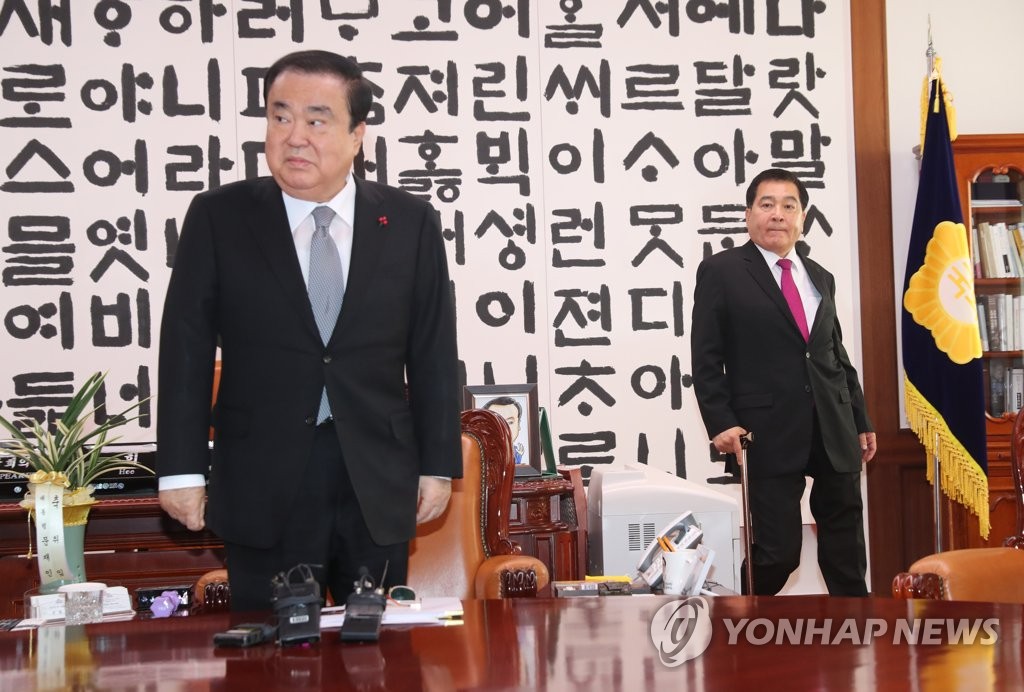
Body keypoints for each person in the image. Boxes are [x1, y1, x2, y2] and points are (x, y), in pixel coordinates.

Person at [156, 50, 461, 611]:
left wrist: (437, 466)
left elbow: (433, 352)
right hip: (262, 476)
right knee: (269, 647)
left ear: (357, 135)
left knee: (376, 648)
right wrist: (180, 470)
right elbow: (185, 350)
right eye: (280, 117)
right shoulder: (220, 217)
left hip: (376, 478)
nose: (294, 137)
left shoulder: (410, 222)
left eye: (317, 121)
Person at [690, 168, 877, 597]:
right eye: (767, 204)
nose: (778, 214)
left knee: (847, 553)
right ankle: (733, 621)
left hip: (833, 425)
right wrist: (721, 421)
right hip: (766, 430)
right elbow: (706, 357)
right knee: (778, 553)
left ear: (802, 218)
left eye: (789, 206)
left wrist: (859, 418)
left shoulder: (820, 276)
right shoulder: (722, 271)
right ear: (748, 214)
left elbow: (834, 355)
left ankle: (856, 630)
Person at [483, 396, 525, 464]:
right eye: (496, 422)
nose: (504, 428)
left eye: (510, 422)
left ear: (518, 425)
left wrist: (519, 454)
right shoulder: (483, 452)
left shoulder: (515, 451)